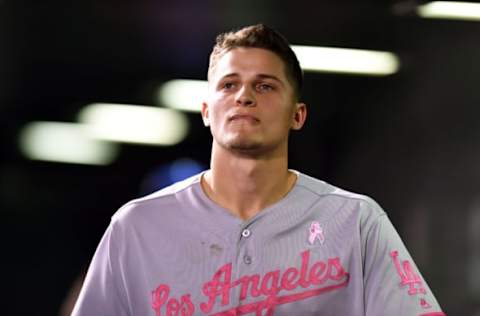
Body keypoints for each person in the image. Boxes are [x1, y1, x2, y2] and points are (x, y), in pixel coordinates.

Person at [72, 24, 445, 316]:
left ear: (297, 115)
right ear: (206, 111)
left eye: (265, 86)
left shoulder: (355, 220)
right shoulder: (137, 226)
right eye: (229, 85)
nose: (244, 96)